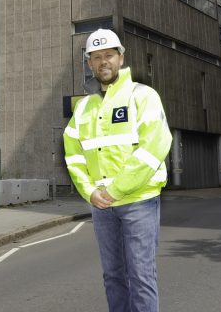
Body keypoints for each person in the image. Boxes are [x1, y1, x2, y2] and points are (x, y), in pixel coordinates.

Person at [63, 29, 172, 312]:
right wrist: (89, 191)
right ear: (89, 63)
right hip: (102, 206)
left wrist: (113, 190)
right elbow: (74, 156)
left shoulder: (143, 95)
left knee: (141, 276)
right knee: (112, 276)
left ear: (121, 57)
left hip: (139, 201)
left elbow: (154, 148)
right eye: (96, 57)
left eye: (109, 55)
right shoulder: (83, 107)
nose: (103, 62)